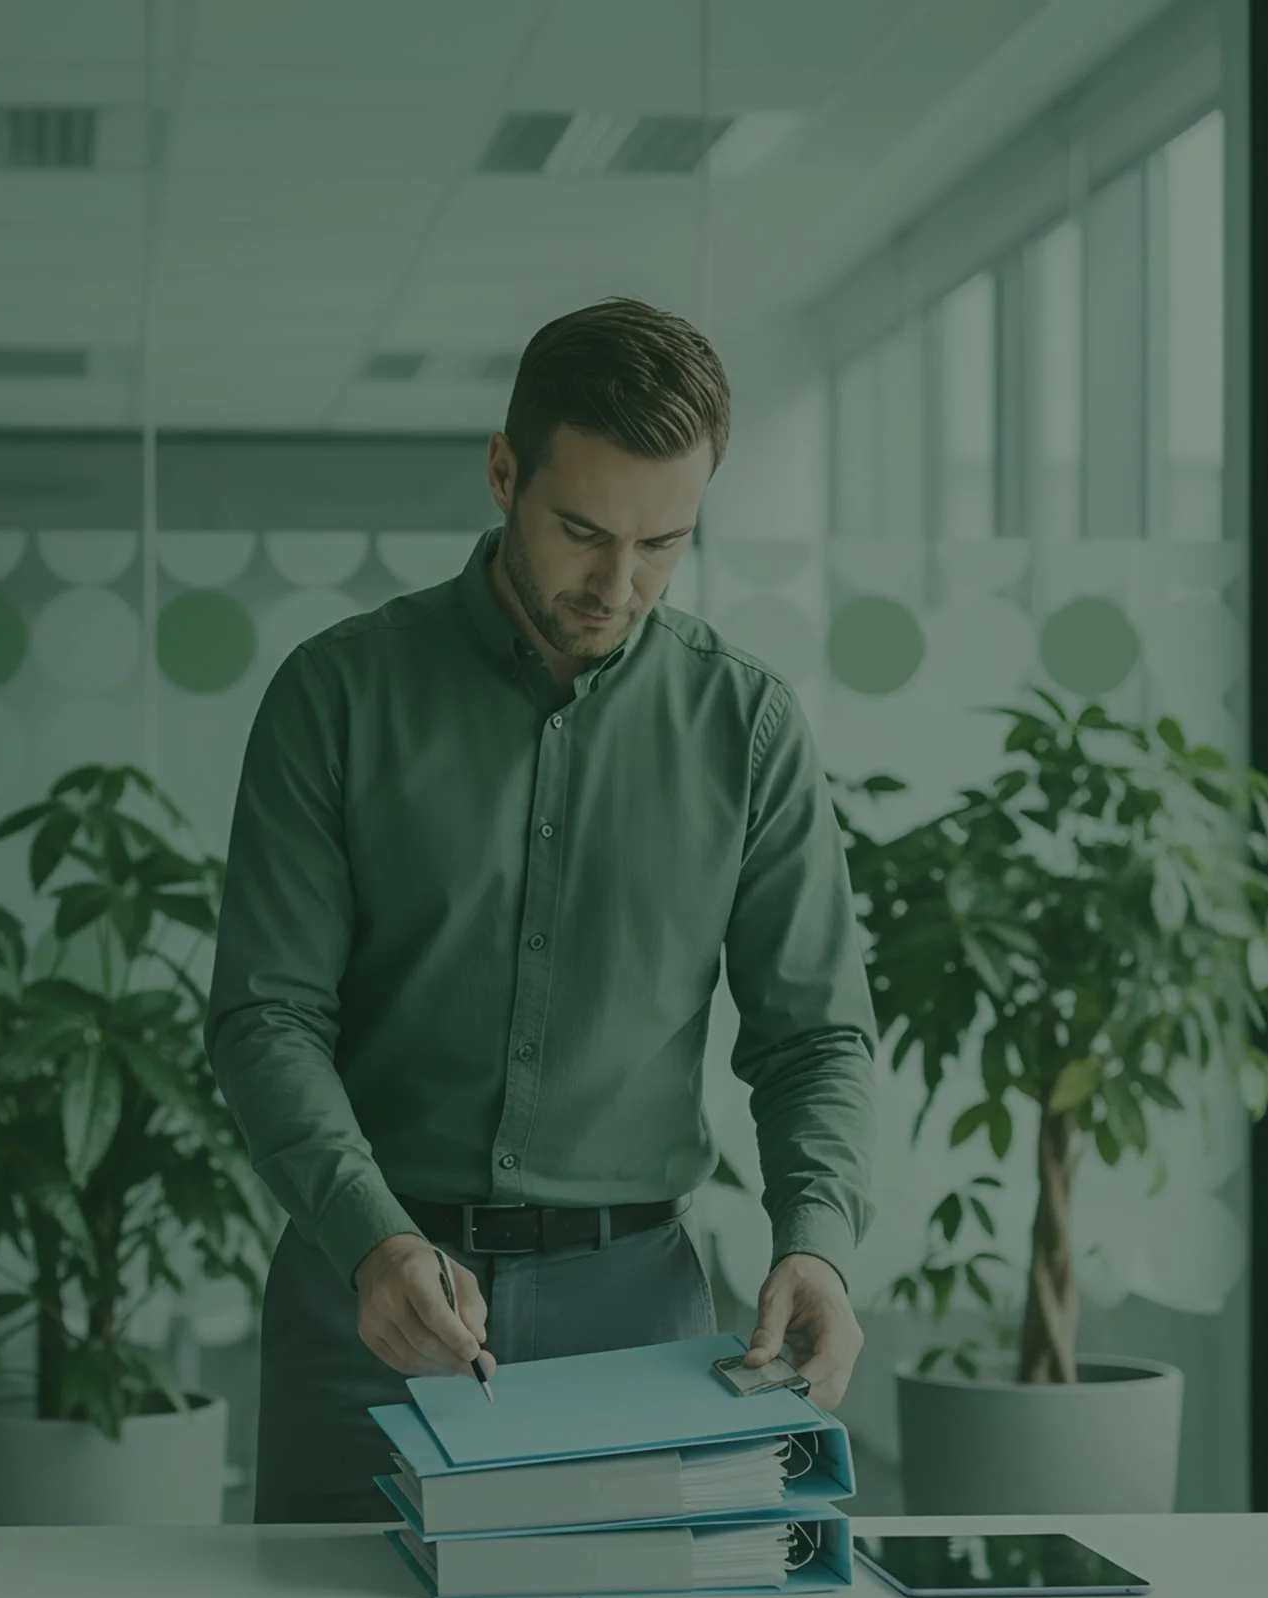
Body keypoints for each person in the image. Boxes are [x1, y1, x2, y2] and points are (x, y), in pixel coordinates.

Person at [208, 296, 878, 1523]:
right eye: (582, 531)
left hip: (636, 1317)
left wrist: (818, 1240)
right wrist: (370, 1238)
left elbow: (815, 1038)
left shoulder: (748, 728)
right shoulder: (337, 698)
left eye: (664, 543)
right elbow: (266, 1016)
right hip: (369, 1292)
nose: (618, 584)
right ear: (504, 471)